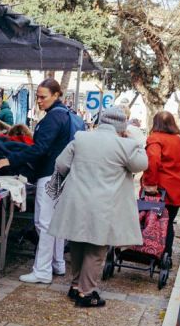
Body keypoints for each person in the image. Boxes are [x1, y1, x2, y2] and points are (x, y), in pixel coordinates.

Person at [48, 105, 148, 307]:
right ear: (121, 126)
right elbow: (142, 165)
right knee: (96, 249)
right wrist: (135, 142)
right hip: (104, 205)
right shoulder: (125, 145)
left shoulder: (82, 138)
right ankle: (87, 293)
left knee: (77, 243)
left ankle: (75, 286)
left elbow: (61, 164)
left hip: (76, 201)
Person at [0, 79, 74, 284]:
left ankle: (42, 270)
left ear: (56, 95)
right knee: (55, 221)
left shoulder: (53, 118)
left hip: (50, 173)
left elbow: (40, 149)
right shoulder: (66, 116)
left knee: (44, 223)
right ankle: (57, 263)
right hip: (61, 173)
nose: (39, 101)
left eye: (43, 97)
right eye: (38, 96)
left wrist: (11, 159)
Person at [142, 111, 180, 261]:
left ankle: (148, 252)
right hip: (179, 188)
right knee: (169, 222)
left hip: (159, 190)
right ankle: (166, 256)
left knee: (150, 220)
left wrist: (150, 184)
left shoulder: (155, 139)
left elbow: (152, 162)